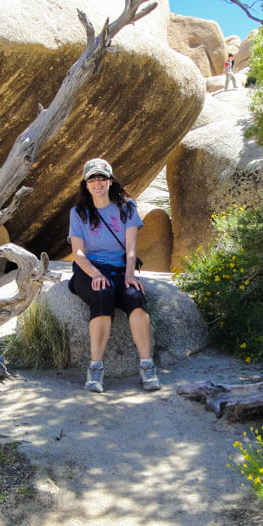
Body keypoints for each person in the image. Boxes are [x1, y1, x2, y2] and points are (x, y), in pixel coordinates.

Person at [67, 158, 161, 393]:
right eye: (92, 178)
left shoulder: (127, 207)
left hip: (120, 269)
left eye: (102, 178)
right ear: (85, 184)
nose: (97, 182)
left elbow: (130, 249)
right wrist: (95, 273)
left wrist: (130, 275)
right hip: (89, 269)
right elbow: (77, 253)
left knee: (135, 298)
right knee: (102, 295)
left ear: (110, 181)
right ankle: (96, 369)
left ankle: (147, 366)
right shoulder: (78, 212)